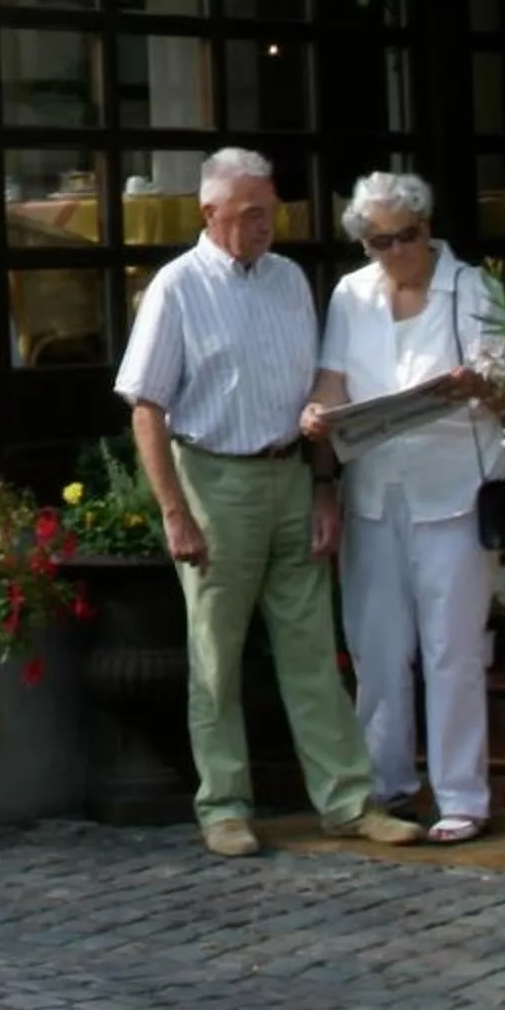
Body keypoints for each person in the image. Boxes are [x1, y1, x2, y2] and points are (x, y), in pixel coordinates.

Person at [113, 146, 424, 858]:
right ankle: (223, 807)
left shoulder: (288, 281)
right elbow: (146, 408)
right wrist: (174, 511)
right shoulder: (177, 287)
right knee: (215, 657)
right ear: (209, 213)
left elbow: (318, 391)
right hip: (215, 480)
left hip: (289, 473)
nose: (265, 226)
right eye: (251, 214)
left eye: (271, 211)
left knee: (313, 650)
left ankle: (347, 801)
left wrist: (322, 483)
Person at [299, 171, 505, 845]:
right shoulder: (352, 295)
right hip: (373, 489)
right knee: (377, 646)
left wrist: (482, 387)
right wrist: (318, 418)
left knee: (453, 647)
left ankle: (461, 796)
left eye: (403, 238)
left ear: (427, 229)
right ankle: (385, 786)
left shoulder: (472, 289)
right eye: (376, 241)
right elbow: (333, 380)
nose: (392, 252)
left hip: (456, 489)